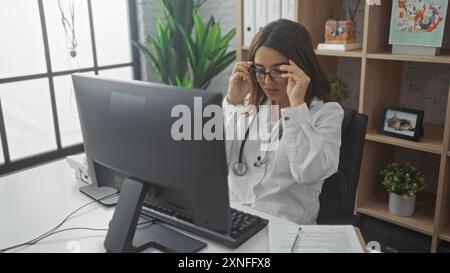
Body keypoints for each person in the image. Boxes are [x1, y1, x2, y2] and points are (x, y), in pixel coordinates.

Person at [223, 19, 344, 224]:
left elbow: (309, 173)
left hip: (284, 228)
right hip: (234, 219)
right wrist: (232, 103)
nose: (267, 82)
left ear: (301, 68)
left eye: (278, 71)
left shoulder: (327, 113)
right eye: (260, 70)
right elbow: (213, 163)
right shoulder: (245, 106)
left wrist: (296, 107)